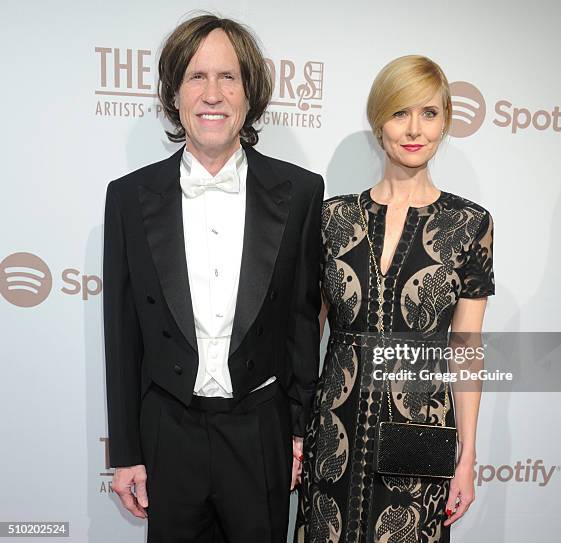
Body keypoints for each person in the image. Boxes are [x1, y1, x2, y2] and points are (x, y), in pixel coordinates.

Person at [102, 14, 324, 543]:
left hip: (260, 431)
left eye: (229, 77)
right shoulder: (129, 197)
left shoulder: (299, 193)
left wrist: (298, 432)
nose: (213, 94)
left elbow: (301, 324)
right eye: (196, 77)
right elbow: (122, 334)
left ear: (250, 94)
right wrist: (127, 454)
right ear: (174, 94)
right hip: (168, 430)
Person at [295, 55, 495, 542]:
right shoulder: (331, 218)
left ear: (445, 121)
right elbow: (308, 334)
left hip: (421, 424)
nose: (414, 129)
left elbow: (466, 349)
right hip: (335, 424)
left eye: (428, 113)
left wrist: (466, 457)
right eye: (399, 112)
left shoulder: (470, 224)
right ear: (377, 119)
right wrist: (297, 432)